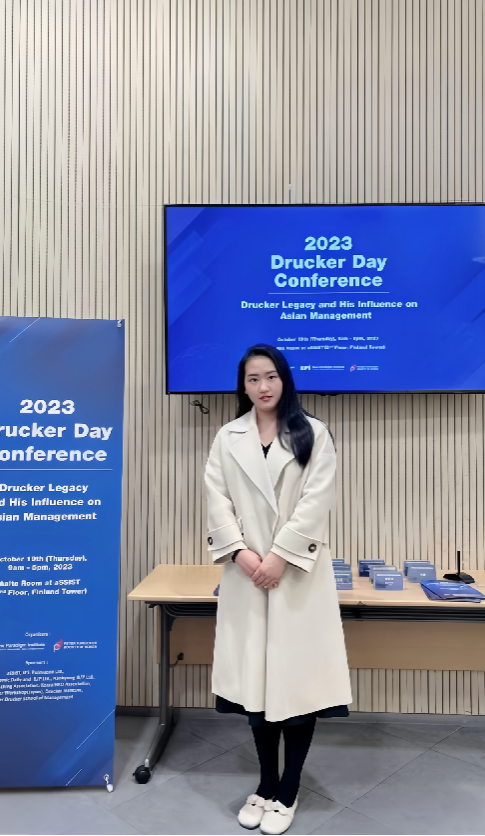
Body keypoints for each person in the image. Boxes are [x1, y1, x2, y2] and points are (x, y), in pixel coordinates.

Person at [205, 344, 351, 835]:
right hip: (247, 575)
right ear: (242, 386)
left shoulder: (314, 433)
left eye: (270, 376)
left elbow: (316, 503)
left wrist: (279, 557)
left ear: (284, 379)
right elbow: (216, 501)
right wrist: (243, 555)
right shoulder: (228, 437)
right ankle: (266, 783)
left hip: (297, 577)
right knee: (257, 687)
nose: (263, 386)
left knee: (297, 685)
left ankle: (289, 789)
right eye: (253, 379)